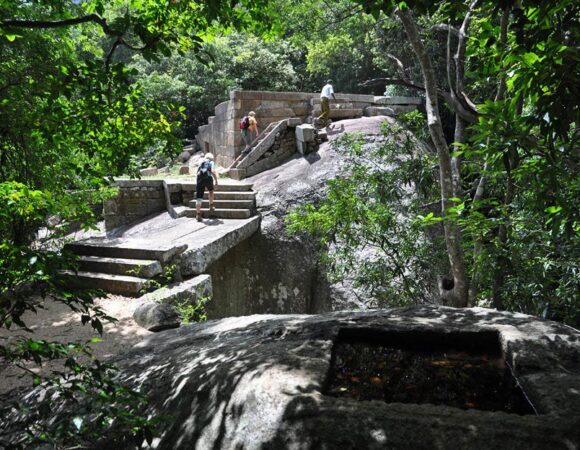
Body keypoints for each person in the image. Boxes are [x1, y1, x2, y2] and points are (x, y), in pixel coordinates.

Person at [195, 152, 218, 222]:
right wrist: (216, 180)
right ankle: (211, 205)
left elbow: (197, 172)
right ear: (212, 158)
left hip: (199, 179)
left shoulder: (201, 161)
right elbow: (212, 171)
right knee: (211, 190)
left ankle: (198, 214)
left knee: (199, 197)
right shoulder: (211, 162)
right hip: (208, 178)